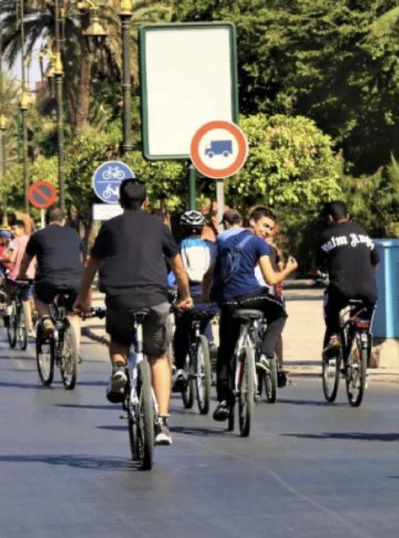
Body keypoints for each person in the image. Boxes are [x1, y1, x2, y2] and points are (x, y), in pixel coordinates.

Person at [75, 179, 192, 446]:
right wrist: (185, 296)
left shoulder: (110, 227)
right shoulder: (159, 227)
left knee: (118, 338)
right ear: (146, 201)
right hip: (155, 298)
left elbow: (91, 267)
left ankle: (119, 368)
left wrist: (82, 299)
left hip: (120, 298)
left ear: (120, 200)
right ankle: (162, 422)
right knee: (159, 357)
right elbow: (179, 269)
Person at [204, 206, 298, 422]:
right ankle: (265, 356)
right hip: (251, 297)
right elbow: (272, 279)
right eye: (265, 226)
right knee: (279, 312)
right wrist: (289, 270)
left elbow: (210, 272)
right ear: (252, 222)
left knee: (226, 348)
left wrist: (207, 296)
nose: (267, 231)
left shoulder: (224, 241)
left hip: (226, 301)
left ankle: (224, 401)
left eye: (271, 229)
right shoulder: (259, 244)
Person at [314, 201, 379, 358]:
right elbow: (375, 261)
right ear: (348, 216)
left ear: (330, 218)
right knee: (363, 317)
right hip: (369, 290)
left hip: (341, 289)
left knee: (330, 306)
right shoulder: (363, 233)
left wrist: (316, 274)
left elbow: (316, 267)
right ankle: (363, 336)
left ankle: (334, 336)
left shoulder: (327, 236)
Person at [14, 205, 83, 341]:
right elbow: (80, 259)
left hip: (48, 280)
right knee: (73, 315)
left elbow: (25, 260)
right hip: (76, 281)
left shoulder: (38, 236)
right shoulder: (74, 234)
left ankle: (46, 320)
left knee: (39, 296)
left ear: (46, 220)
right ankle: (76, 353)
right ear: (64, 220)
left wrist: (21, 275)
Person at [171, 210, 217, 394]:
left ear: (182, 229)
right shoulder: (213, 247)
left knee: (181, 330)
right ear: (201, 228)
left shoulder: (175, 247)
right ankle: (210, 344)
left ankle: (180, 370)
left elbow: (170, 275)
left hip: (186, 297)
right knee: (204, 317)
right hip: (208, 298)